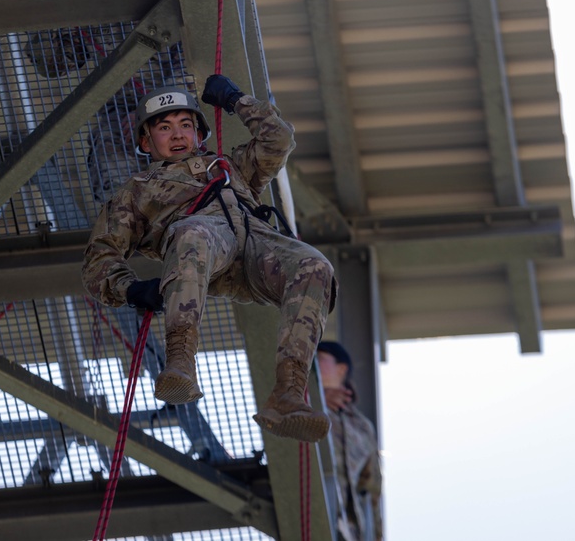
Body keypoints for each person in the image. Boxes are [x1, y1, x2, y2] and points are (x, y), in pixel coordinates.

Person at [81, 75, 336, 442]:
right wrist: (131, 289)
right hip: (202, 252)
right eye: (165, 128)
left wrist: (235, 100)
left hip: (259, 248)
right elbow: (98, 257)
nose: (178, 134)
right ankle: (180, 360)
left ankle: (289, 391)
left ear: (199, 134)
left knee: (316, 266)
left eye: (186, 125)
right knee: (194, 233)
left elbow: (278, 139)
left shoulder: (231, 165)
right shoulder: (136, 192)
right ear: (145, 141)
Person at [317, 341, 384, 540]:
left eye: (319, 359)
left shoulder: (362, 427)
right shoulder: (298, 401)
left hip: (346, 526)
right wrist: (317, 398)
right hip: (305, 497)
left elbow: (372, 487)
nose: (311, 363)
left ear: (341, 368)